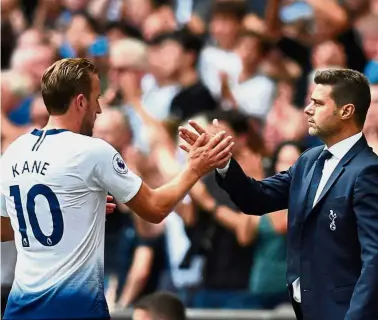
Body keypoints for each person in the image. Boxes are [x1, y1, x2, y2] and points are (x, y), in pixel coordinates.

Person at [0, 58, 233, 320]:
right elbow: (155, 208)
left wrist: (73, 214)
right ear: (80, 102)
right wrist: (195, 168)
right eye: (96, 98)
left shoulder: (13, 152)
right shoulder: (91, 151)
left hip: (19, 310)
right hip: (74, 310)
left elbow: (4, 227)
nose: (98, 109)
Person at [179, 68, 378, 320]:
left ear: (346, 111)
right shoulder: (309, 160)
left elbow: (374, 259)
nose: (307, 109)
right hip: (307, 308)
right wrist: (224, 162)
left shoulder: (368, 171)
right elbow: (256, 199)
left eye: (317, 103)